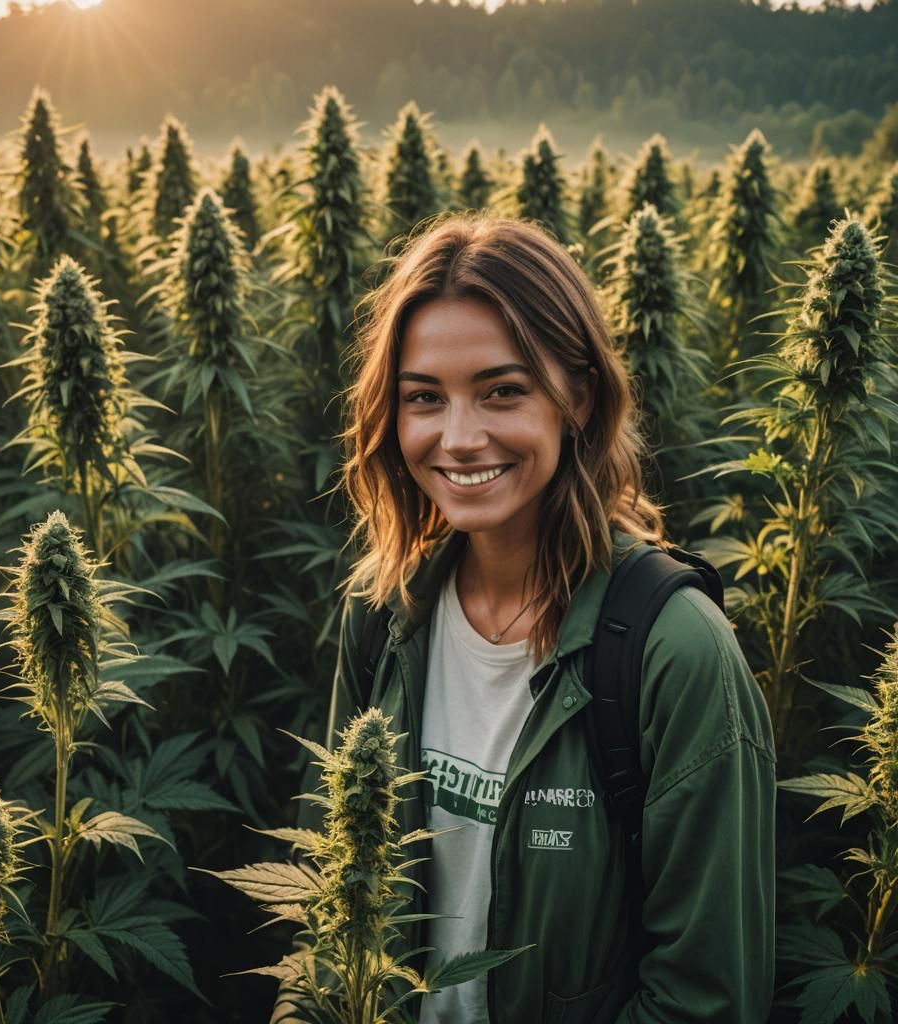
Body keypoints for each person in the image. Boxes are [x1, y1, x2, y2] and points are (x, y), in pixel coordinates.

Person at [282, 213, 777, 1024]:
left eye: (502, 391)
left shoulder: (675, 654)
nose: (460, 437)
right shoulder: (383, 613)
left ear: (577, 397)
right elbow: (327, 902)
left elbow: (704, 997)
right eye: (423, 399)